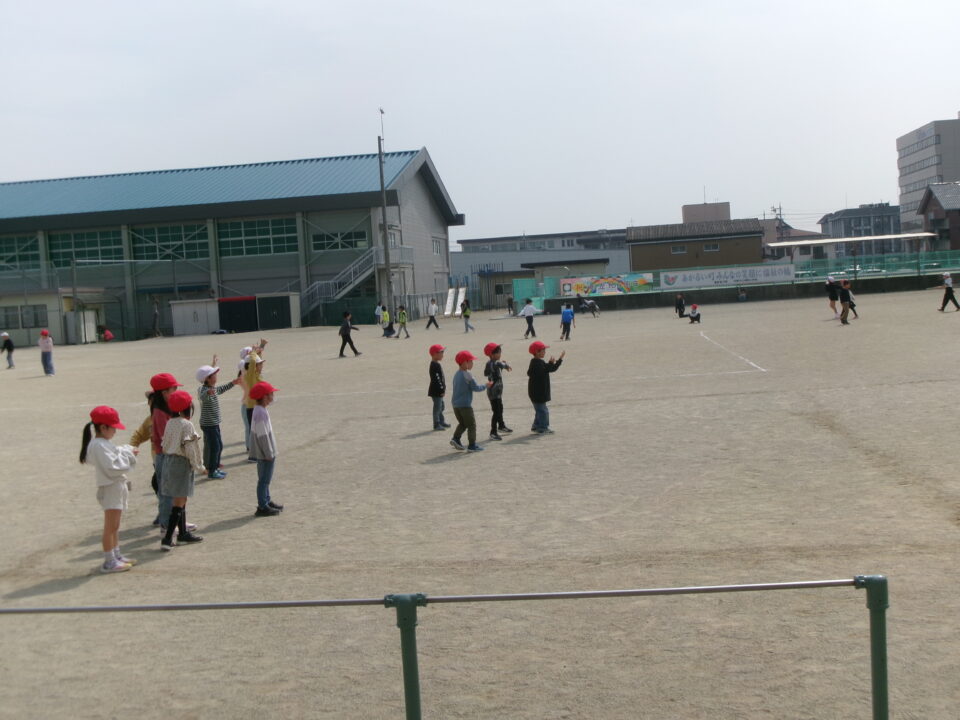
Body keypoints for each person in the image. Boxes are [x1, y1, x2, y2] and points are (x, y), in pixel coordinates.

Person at [80, 405, 138, 573]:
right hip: (110, 487)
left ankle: (116, 555)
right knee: (110, 526)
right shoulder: (98, 445)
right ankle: (109, 561)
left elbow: (116, 453)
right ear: (103, 427)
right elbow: (112, 467)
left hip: (115, 487)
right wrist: (129, 456)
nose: (115, 431)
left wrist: (127, 451)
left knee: (115, 525)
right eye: (113, 428)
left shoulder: (102, 443)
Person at [159, 390, 205, 551]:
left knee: (180, 499)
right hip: (181, 463)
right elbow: (191, 448)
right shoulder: (186, 424)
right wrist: (199, 466)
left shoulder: (170, 422)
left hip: (169, 461)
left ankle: (183, 533)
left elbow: (164, 445)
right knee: (179, 502)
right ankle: (168, 539)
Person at [149, 372, 182, 533]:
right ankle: (166, 524)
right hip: (165, 456)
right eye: (173, 389)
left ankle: (178, 522)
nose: (176, 391)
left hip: (172, 454)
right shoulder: (159, 412)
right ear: (164, 393)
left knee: (175, 491)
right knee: (166, 493)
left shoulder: (168, 408)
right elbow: (165, 438)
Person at [196, 359, 240, 479]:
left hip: (214, 423)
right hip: (208, 424)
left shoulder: (212, 388)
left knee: (218, 446)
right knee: (215, 447)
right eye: (214, 375)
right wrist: (208, 393)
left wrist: (233, 383)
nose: (216, 377)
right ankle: (212, 471)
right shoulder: (204, 390)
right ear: (207, 379)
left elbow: (221, 389)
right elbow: (202, 396)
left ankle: (215, 467)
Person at [249, 381, 284, 517]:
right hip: (265, 453)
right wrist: (268, 453)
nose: (272, 396)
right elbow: (262, 435)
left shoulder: (260, 410)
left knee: (265, 479)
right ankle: (262, 506)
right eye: (271, 394)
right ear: (264, 397)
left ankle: (267, 500)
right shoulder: (260, 413)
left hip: (266, 452)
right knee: (264, 480)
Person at [450, 350, 493, 452]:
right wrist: (486, 385)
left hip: (455, 405)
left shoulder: (457, 374)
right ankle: (472, 445)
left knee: (463, 423)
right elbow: (476, 388)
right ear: (465, 362)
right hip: (465, 405)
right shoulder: (468, 374)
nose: (472, 363)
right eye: (471, 361)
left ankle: (456, 438)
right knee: (471, 425)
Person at [527, 341, 564, 434]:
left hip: (537, 393)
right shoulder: (537, 364)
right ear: (537, 352)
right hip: (538, 393)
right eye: (543, 350)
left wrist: (557, 361)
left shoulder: (538, 362)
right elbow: (545, 370)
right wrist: (552, 363)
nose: (545, 352)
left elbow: (549, 369)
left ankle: (536, 426)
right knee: (543, 411)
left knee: (539, 410)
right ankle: (543, 428)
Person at [243, 340, 268, 461]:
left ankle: (257, 453)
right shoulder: (250, 375)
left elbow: (256, 361)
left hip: (258, 407)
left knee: (260, 432)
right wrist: (253, 351)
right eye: (260, 364)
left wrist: (261, 348)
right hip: (252, 408)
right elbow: (253, 362)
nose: (262, 366)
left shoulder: (257, 375)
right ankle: (253, 456)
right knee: (255, 433)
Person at [483, 342, 513, 440]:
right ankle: (493, 432)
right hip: (494, 392)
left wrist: (500, 367)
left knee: (500, 408)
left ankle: (501, 425)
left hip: (497, 392)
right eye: (498, 353)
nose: (500, 354)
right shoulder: (495, 363)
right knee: (496, 412)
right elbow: (501, 364)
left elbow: (487, 372)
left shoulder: (490, 363)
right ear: (492, 354)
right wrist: (506, 365)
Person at [428, 344, 450, 431]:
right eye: (441, 352)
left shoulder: (436, 364)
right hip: (436, 391)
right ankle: (436, 424)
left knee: (441, 406)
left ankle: (441, 421)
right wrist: (441, 390)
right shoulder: (434, 365)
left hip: (438, 390)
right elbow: (437, 379)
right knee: (437, 407)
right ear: (434, 354)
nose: (442, 354)